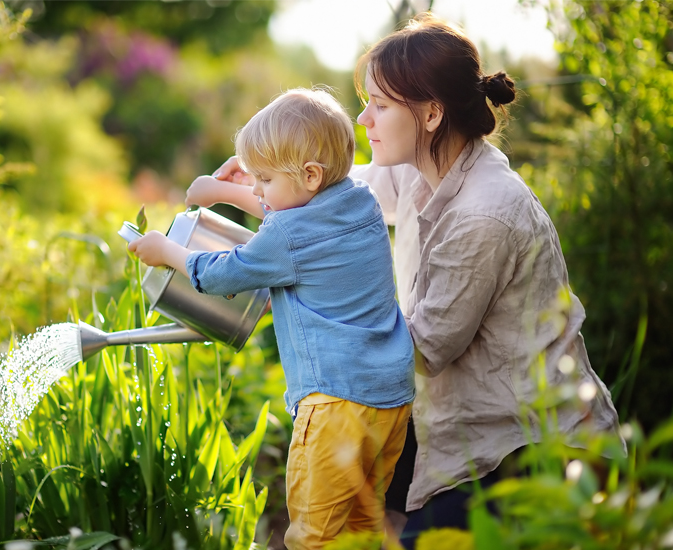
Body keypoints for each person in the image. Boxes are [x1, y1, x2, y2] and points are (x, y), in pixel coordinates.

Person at [193, 15, 624, 549]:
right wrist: (265, 178)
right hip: (455, 421)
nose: (363, 117)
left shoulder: (484, 212)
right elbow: (338, 197)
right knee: (349, 494)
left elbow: (425, 349)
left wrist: (307, 288)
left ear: (431, 114)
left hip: (528, 448)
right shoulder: (422, 166)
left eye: (380, 104)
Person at [128, 88, 415, 549]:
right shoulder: (359, 201)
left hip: (334, 404)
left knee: (313, 536)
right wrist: (223, 190)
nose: (257, 189)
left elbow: (225, 273)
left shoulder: (285, 232)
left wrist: (167, 251)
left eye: (262, 179)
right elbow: (293, 207)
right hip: (390, 401)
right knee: (362, 528)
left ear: (310, 174)